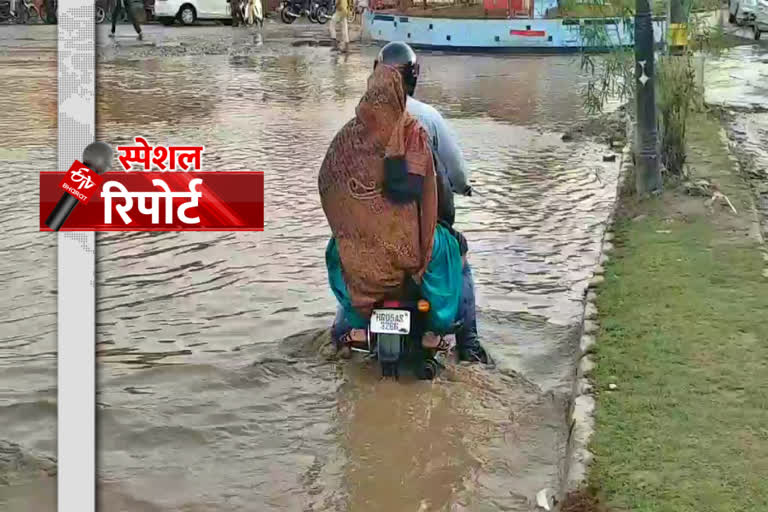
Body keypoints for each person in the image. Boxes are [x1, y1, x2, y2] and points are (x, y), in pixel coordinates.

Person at [320, 64, 466, 359]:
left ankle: (355, 327)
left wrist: (350, 223)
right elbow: (433, 186)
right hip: (409, 250)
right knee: (454, 252)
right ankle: (452, 337)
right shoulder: (414, 131)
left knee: (336, 251)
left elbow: (327, 181)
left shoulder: (348, 138)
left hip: (364, 250)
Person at [372, 41, 489, 364]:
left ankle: (347, 330)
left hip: (375, 233)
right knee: (460, 258)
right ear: (412, 78)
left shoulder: (360, 121)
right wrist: (463, 186)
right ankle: (469, 345)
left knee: (354, 263)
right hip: (423, 234)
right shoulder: (427, 118)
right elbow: (456, 170)